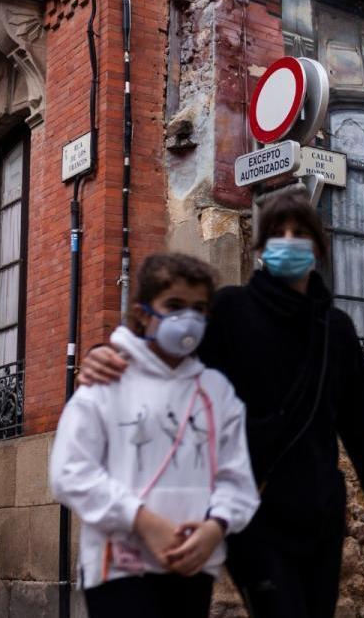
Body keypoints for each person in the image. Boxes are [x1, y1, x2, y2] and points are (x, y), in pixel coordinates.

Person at [79, 192, 364, 617]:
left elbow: (359, 430)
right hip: (254, 513)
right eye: (277, 233)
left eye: (300, 234)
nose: (288, 241)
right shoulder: (231, 310)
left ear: (319, 249)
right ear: (261, 248)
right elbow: (170, 361)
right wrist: (112, 355)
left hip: (321, 513)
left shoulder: (337, 329)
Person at [50, 253, 260, 618]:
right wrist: (143, 520)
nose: (188, 318)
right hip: (118, 567)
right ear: (144, 313)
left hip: (192, 563)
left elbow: (237, 477)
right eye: (174, 305)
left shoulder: (217, 391)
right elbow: (70, 471)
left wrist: (216, 526)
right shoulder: (107, 380)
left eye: (199, 308)